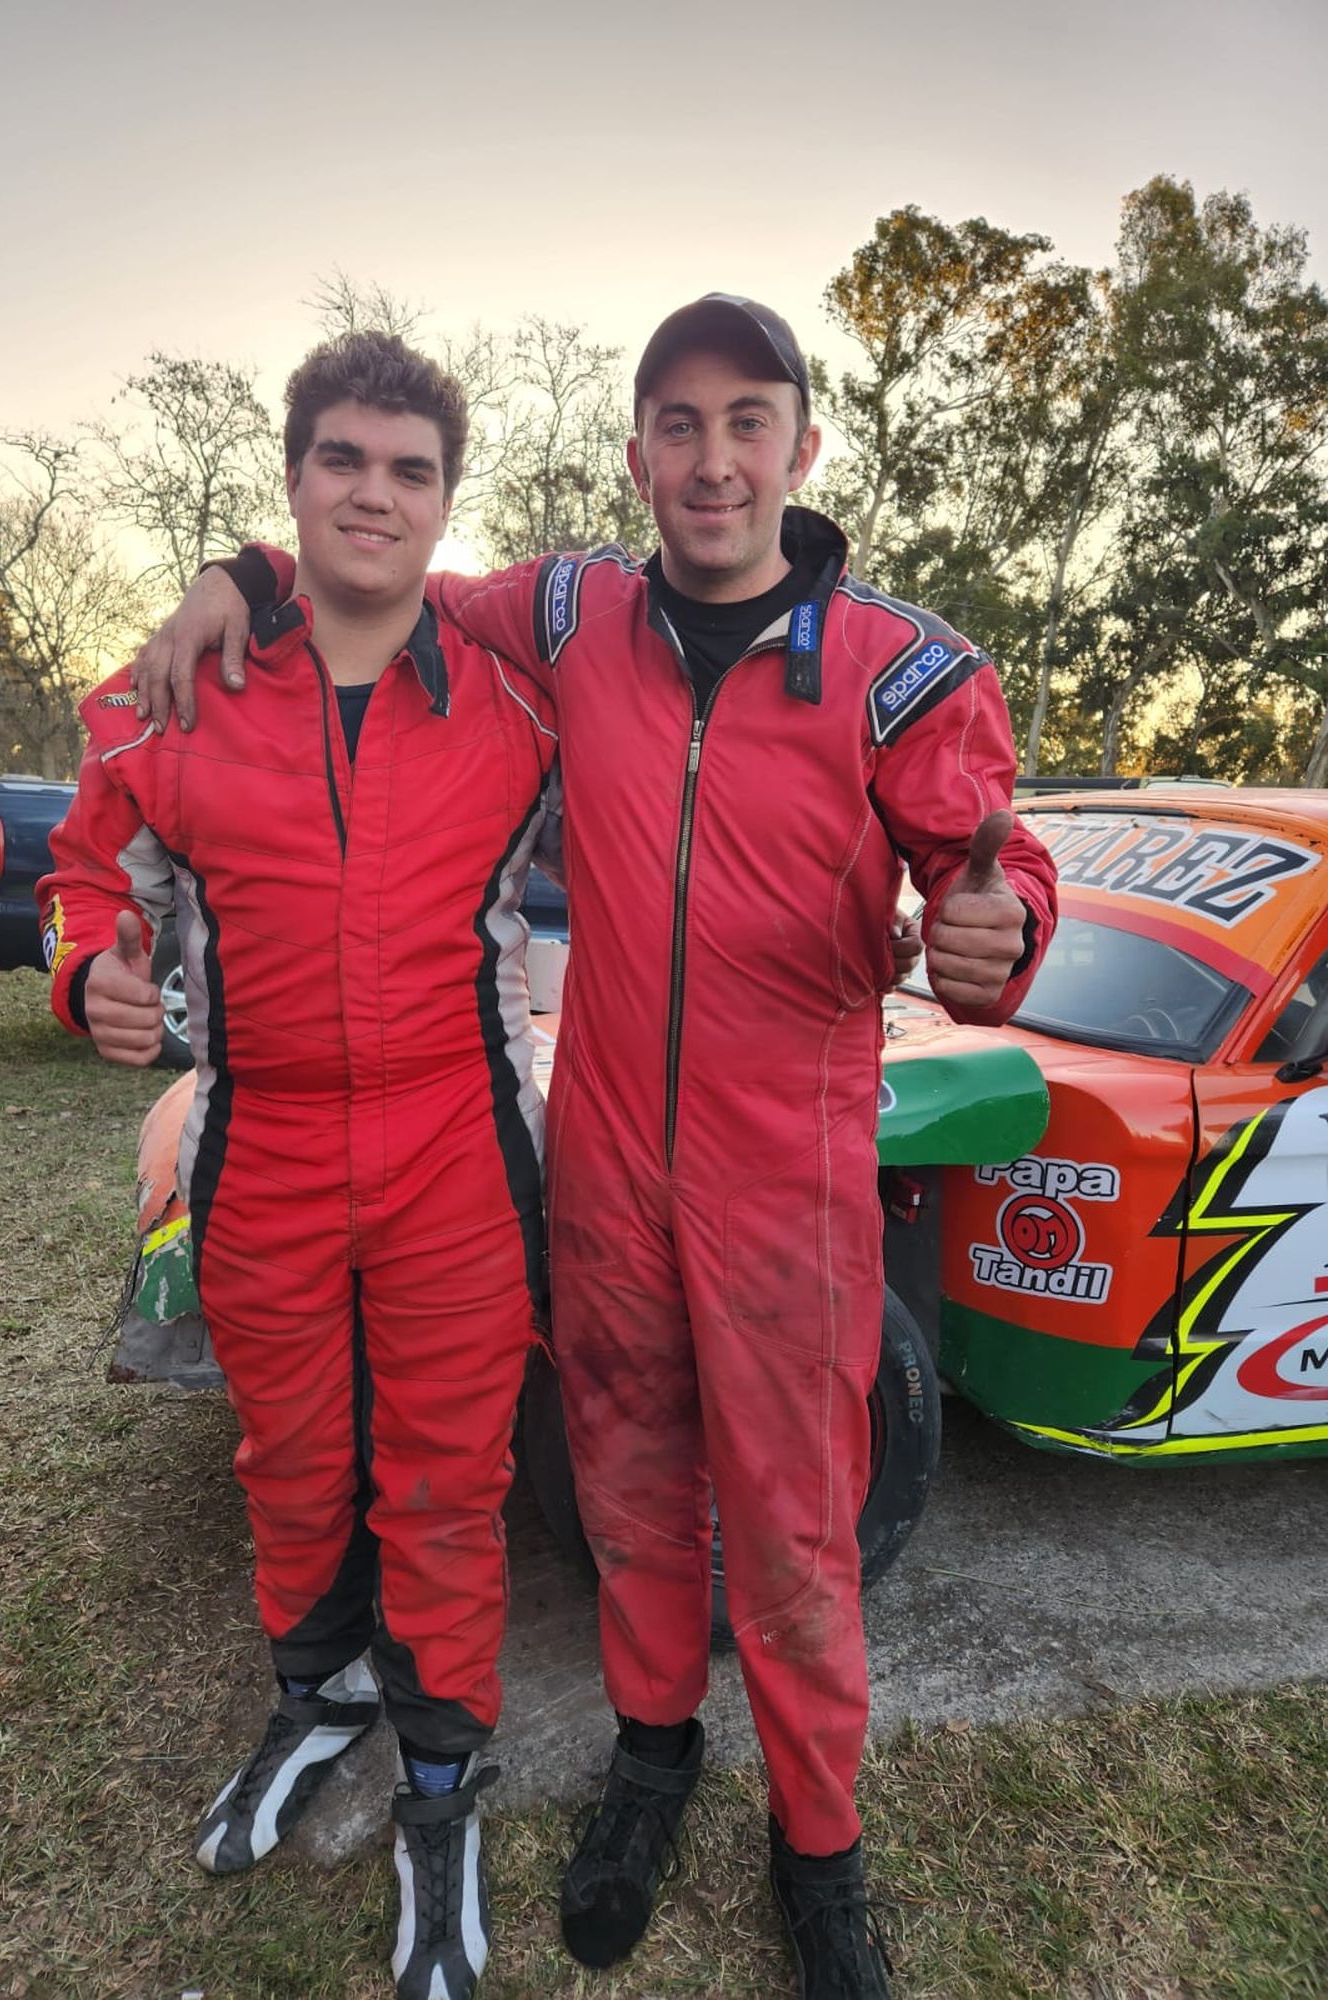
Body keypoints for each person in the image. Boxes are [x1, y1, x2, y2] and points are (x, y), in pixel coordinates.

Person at [134, 295, 1059, 2000]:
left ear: (801, 443)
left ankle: (821, 1853)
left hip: (790, 1172)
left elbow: (984, 872)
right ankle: (650, 1764)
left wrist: (1004, 926)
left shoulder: (905, 668)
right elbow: (375, 568)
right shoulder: (569, 610)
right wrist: (235, 572)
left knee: (791, 1528)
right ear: (637, 453)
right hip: (613, 1154)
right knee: (630, 1491)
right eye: (680, 425)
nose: (714, 460)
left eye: (749, 420)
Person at [38, 331, 562, 2000]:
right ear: (293, 477)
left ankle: (437, 1788)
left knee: (444, 1486)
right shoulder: (173, 692)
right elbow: (83, 867)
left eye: (411, 471)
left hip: (454, 1153)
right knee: (288, 1460)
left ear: (444, 503)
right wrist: (85, 969)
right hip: (258, 1141)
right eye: (344, 460)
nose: (376, 495)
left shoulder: (517, 704)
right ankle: (317, 1695)